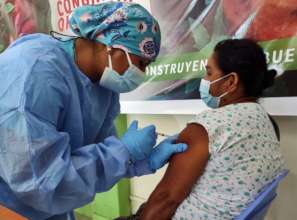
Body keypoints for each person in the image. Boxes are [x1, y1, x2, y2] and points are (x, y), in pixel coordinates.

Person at [0, 2, 187, 220]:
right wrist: (123, 152)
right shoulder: (35, 74)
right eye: (141, 63)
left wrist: (137, 162)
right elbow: (40, 181)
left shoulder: (102, 87)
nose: (142, 74)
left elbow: (94, 154)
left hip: (50, 208)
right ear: (108, 45)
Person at [120, 39, 286, 219]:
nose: (204, 80)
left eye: (209, 73)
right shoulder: (268, 123)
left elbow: (166, 199)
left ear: (230, 82)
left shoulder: (208, 126)